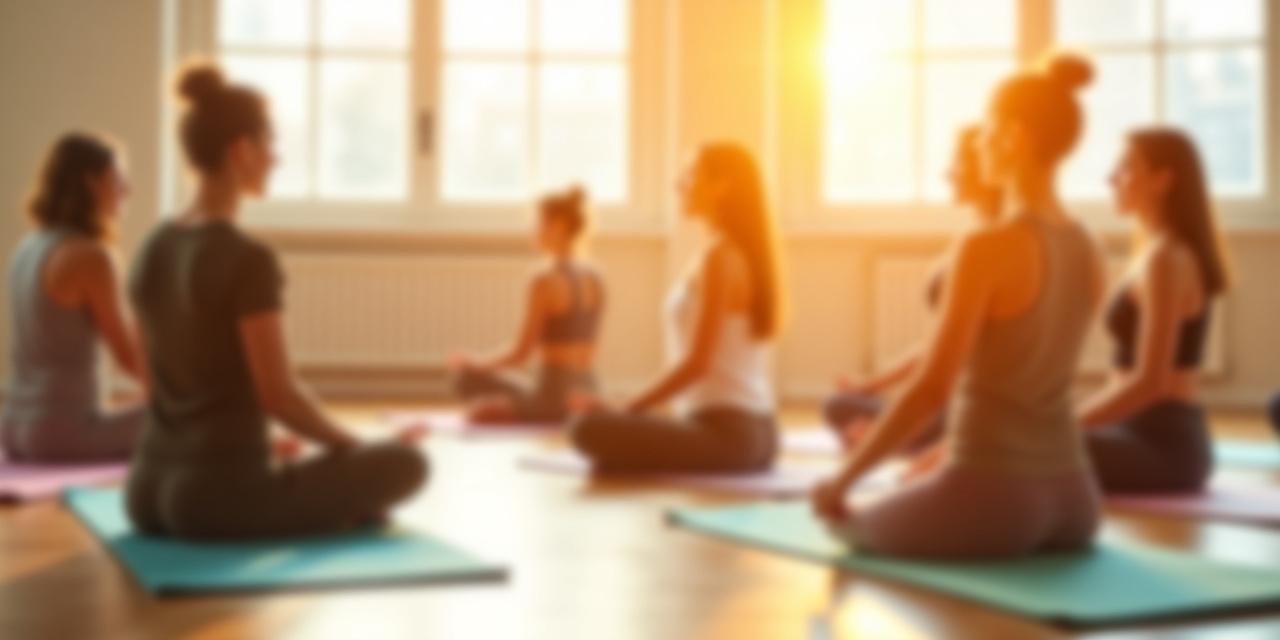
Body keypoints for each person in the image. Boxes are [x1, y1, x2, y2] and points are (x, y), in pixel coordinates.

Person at [811, 55, 1107, 559]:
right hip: (1078, 501)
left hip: (996, 498)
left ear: (1013, 136)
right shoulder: (1090, 246)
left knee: (848, 532)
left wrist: (842, 482)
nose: (982, 142)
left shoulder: (987, 245)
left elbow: (932, 389)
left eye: (988, 129)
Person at [125, 63, 426, 540]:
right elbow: (278, 395)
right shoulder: (247, 258)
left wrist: (261, 442)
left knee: (329, 467)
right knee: (407, 462)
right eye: (271, 144)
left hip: (144, 491)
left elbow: (149, 385)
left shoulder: (151, 247)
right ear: (241, 151)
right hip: (217, 498)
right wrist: (354, 447)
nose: (276, 158)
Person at [570, 143, 786, 473]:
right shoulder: (735, 254)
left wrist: (626, 409)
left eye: (690, 176)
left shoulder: (720, 257)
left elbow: (698, 364)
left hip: (729, 434)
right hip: (757, 432)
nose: (678, 185)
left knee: (585, 430)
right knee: (600, 433)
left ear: (721, 185)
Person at [824, 124, 1003, 453]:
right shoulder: (973, 236)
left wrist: (889, 428)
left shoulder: (994, 244)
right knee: (839, 404)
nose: (948, 173)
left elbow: (951, 357)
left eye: (957, 165)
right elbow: (936, 342)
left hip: (965, 405)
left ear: (983, 167)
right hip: (944, 402)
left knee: (873, 416)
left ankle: (912, 437)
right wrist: (872, 385)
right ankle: (906, 435)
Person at [1078, 129, 1232, 494]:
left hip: (1161, 444)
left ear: (1162, 181)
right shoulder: (1154, 252)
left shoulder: (1167, 258)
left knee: (1018, 451)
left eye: (1125, 169)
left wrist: (1063, 425)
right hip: (1135, 431)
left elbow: (1151, 382)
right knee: (1016, 442)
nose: (1111, 179)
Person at [1, 133, 147, 463]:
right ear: (92, 184)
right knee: (194, 418)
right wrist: (181, 399)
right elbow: (128, 357)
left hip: (12, 427)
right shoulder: (90, 256)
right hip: (60, 434)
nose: (128, 190)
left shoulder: (29, 247)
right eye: (119, 179)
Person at [451, 187, 605, 424]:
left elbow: (520, 354)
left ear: (560, 226)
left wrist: (476, 363)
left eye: (538, 223)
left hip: (551, 397)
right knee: (507, 385)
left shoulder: (543, 280)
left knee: (465, 378)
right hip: (589, 388)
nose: (533, 230)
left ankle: (537, 412)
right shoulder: (596, 277)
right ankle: (551, 409)